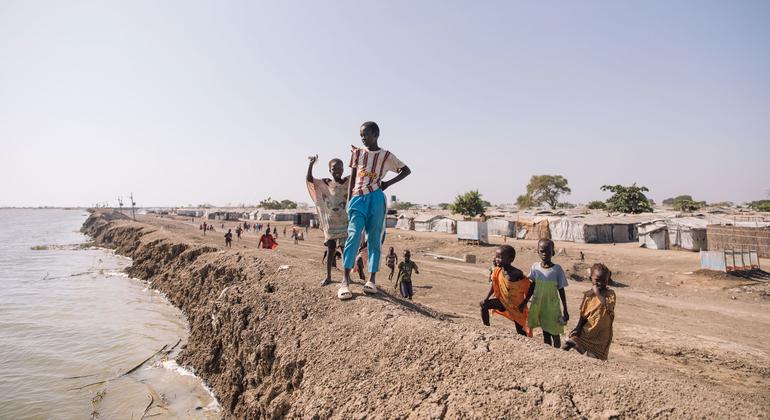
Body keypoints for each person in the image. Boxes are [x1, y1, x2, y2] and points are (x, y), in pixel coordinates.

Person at [339, 121, 411, 300]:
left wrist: (387, 183)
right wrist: (349, 200)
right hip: (357, 198)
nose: (363, 138)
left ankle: (371, 280)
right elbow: (354, 178)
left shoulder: (386, 156)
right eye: (361, 135)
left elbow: (406, 170)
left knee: (374, 238)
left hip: (376, 199)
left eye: (366, 134)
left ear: (376, 135)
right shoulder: (357, 153)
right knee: (353, 236)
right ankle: (345, 281)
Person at [306, 154, 351, 286]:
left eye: (340, 168)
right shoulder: (325, 183)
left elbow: (359, 176)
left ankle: (346, 277)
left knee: (344, 249)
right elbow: (309, 179)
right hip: (330, 222)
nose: (337, 170)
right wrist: (311, 164)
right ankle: (328, 276)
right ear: (329, 170)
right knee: (331, 248)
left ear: (343, 169)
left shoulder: (349, 182)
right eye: (334, 168)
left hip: (344, 221)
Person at [521, 239, 569, 348]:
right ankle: (549, 352)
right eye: (542, 251)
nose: (544, 253)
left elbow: (561, 290)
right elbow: (532, 285)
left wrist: (565, 310)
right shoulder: (535, 267)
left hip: (552, 306)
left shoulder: (557, 269)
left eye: (548, 251)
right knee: (545, 331)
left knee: (555, 332)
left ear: (553, 252)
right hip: (540, 305)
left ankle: (557, 353)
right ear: (537, 251)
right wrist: (525, 301)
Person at [563, 263, 616, 360]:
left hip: (601, 335)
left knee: (598, 357)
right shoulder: (588, 295)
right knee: (570, 340)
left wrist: (597, 293)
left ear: (607, 280)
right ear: (591, 278)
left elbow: (607, 305)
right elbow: (583, 315)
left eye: (603, 281)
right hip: (588, 331)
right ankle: (558, 356)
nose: (600, 283)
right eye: (597, 280)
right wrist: (578, 328)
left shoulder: (610, 295)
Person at [480, 245, 531, 336]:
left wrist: (524, 303)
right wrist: (486, 298)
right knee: (484, 304)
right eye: (496, 257)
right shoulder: (497, 271)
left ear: (510, 259)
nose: (497, 259)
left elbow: (529, 285)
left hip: (516, 306)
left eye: (500, 257)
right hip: (502, 301)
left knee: (521, 332)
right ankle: (486, 328)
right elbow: (493, 284)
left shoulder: (516, 273)